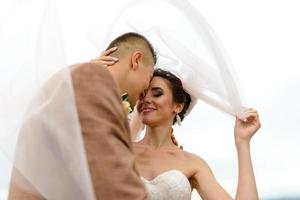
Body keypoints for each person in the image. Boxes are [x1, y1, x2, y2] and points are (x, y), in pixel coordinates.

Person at [95, 49, 261, 200]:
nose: (146, 100)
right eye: (143, 94)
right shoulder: (119, 151)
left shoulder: (193, 163)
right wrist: (86, 75)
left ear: (178, 106)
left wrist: (243, 143)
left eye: (157, 93)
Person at [8, 32, 156, 200]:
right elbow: (112, 183)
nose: (146, 91)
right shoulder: (90, 78)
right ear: (136, 59)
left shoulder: (71, 80)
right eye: (149, 77)